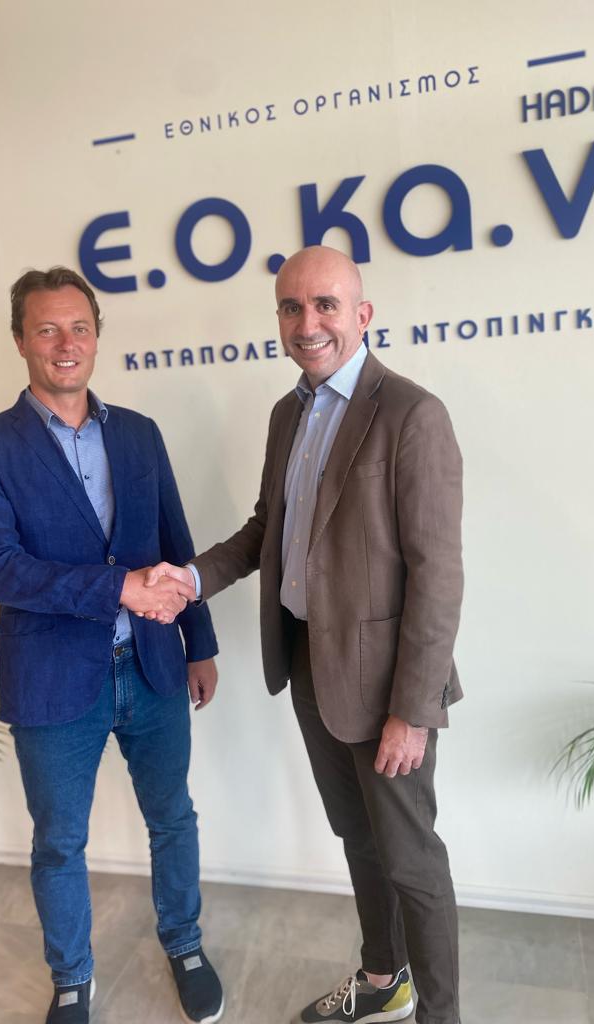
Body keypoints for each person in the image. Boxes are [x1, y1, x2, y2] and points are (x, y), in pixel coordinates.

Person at [148, 245, 464, 1024]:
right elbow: (268, 530)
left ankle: (443, 1016)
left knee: (413, 862)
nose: (308, 322)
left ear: (363, 314)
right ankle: (384, 980)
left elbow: (438, 575)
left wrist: (412, 709)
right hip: (308, 665)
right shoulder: (288, 414)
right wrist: (190, 578)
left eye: (326, 304)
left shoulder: (412, 414)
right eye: (292, 307)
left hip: (387, 687)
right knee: (358, 836)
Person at [0, 267, 221, 1024]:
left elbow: (174, 541)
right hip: (53, 680)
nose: (65, 344)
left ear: (97, 336)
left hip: (154, 667)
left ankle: (185, 943)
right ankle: (72, 979)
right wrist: (117, 589)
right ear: (20, 340)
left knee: (173, 818)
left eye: (79, 328)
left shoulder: (137, 433)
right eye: (47, 329)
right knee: (59, 843)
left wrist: (198, 643)